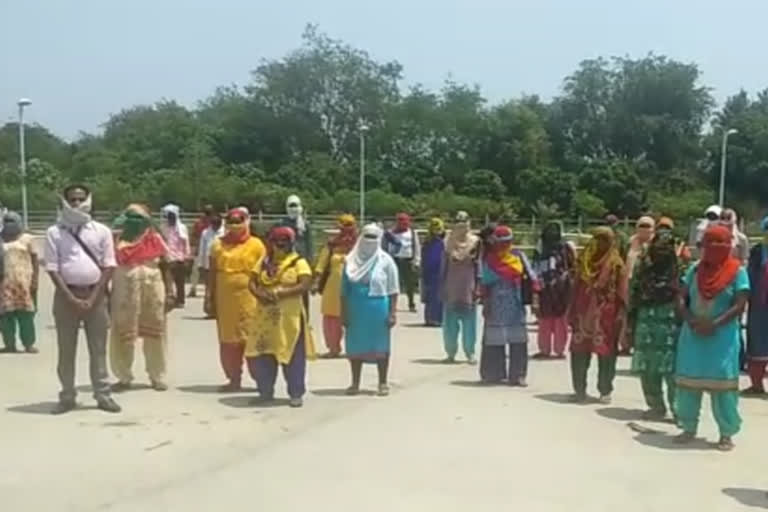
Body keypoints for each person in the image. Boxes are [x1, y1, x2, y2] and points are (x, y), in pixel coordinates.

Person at [44, 185, 121, 414]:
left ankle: (103, 395)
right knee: (66, 349)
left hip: (96, 295)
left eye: (80, 199)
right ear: (65, 202)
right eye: (72, 200)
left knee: (98, 349)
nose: (77, 204)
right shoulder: (54, 232)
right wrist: (70, 297)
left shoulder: (101, 231)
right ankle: (67, 396)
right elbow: (52, 268)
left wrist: (95, 295)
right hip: (65, 296)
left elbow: (109, 265)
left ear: (88, 201)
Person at [674, 225, 748, 451]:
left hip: (722, 338)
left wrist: (714, 324)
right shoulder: (695, 270)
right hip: (693, 335)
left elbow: (740, 304)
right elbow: (680, 297)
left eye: (719, 245)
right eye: (709, 245)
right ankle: (688, 427)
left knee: (723, 388)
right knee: (688, 385)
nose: (713, 250)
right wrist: (691, 320)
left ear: (728, 247)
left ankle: (726, 433)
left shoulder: (738, 271)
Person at [247, 227, 316, 407]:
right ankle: (265, 392)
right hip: (264, 319)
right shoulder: (264, 262)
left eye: (284, 241)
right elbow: (252, 282)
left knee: (292, 354)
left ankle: (295, 393)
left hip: (289, 319)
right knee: (263, 354)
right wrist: (259, 294)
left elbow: (305, 285)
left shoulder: (298, 262)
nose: (280, 245)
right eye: (276, 241)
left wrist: (282, 293)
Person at [109, 204, 175, 392]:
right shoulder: (116, 239)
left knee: (156, 330)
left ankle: (157, 375)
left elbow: (166, 264)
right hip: (124, 287)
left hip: (152, 286)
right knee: (122, 330)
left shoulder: (155, 238)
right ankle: (123, 376)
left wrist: (170, 292)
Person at [206, 209, 267, 392]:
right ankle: (234, 379)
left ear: (246, 221)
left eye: (239, 221)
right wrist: (209, 297)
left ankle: (261, 380)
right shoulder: (217, 245)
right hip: (225, 300)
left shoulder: (256, 245)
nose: (235, 225)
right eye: (231, 221)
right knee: (229, 341)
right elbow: (211, 273)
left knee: (251, 339)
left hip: (251, 298)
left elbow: (265, 271)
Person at [569, 227, 627, 404]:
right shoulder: (583, 260)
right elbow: (575, 286)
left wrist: (622, 314)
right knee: (579, 352)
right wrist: (571, 310)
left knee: (607, 353)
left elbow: (622, 290)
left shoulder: (616, 263)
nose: (600, 243)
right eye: (597, 239)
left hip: (606, 315)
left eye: (604, 240)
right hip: (582, 313)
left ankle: (605, 389)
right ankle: (579, 390)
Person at [341, 224, 399, 396]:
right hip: (356, 308)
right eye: (367, 236)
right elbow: (343, 292)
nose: (370, 241)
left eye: (374, 237)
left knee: (381, 346)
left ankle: (382, 383)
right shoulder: (349, 261)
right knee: (355, 346)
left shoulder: (386, 261)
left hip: (378, 309)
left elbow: (393, 290)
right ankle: (355, 383)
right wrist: (344, 313)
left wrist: (392, 313)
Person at [628, 230, 680, 420]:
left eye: (665, 248)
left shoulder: (679, 268)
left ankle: (678, 409)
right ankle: (656, 406)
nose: (661, 251)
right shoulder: (643, 266)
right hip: (646, 321)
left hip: (671, 324)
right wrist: (630, 321)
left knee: (671, 370)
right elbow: (634, 291)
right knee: (647, 369)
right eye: (658, 247)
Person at [478, 226, 533, 386]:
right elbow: (485, 283)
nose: (503, 245)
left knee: (518, 341)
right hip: (495, 304)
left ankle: (518, 375)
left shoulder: (518, 256)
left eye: (507, 242)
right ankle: (493, 373)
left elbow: (531, 276)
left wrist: (534, 297)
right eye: (500, 242)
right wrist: (485, 303)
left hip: (515, 304)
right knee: (494, 340)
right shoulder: (489, 259)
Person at [313, 214, 358, 357]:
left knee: (355, 318)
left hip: (354, 288)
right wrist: (315, 281)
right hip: (333, 288)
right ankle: (333, 348)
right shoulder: (332, 244)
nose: (346, 228)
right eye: (344, 224)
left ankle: (356, 349)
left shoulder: (360, 244)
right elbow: (321, 263)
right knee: (331, 319)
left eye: (349, 224)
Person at [532, 221, 575, 359]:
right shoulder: (540, 248)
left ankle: (559, 350)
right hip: (544, 286)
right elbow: (535, 266)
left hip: (561, 287)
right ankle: (544, 349)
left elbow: (572, 266)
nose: (552, 233)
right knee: (544, 318)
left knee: (560, 318)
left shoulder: (565, 247)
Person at [440, 211, 480, 363]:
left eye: (464, 221)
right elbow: (443, 266)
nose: (461, 225)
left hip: (469, 287)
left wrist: (478, 286)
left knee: (469, 323)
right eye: (458, 221)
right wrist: (442, 285)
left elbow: (479, 266)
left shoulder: (475, 242)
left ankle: (470, 352)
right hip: (451, 286)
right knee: (450, 323)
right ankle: (450, 353)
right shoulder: (447, 242)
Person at [0, 211, 39, 353]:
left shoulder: (27, 239)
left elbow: (35, 260)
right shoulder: (1, 239)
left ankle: (28, 344)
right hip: (4, 284)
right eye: (7, 221)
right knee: (5, 316)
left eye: (12, 220)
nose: (10, 224)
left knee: (26, 315)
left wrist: (35, 280)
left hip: (24, 284)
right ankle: (9, 345)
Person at [744, 216, 768, 395]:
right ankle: (757, 385)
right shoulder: (757, 251)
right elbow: (750, 275)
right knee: (757, 343)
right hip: (759, 304)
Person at [386, 213, 421, 312]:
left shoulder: (412, 233)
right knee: (393, 283)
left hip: (408, 260)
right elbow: (385, 246)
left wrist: (417, 260)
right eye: (400, 221)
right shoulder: (391, 233)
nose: (403, 223)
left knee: (409, 284)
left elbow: (416, 247)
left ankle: (411, 303)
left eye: (405, 221)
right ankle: (392, 305)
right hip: (394, 260)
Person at [160, 204, 191, 308]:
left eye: (171, 216)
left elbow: (185, 243)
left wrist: (187, 257)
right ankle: (169, 298)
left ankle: (180, 300)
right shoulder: (163, 227)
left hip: (180, 257)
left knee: (180, 280)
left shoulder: (182, 228)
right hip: (168, 257)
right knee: (167, 279)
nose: (169, 218)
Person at [196, 214, 224, 317]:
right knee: (209, 289)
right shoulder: (205, 233)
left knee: (220, 290)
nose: (216, 226)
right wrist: (200, 264)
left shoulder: (225, 232)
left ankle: (220, 310)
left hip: (221, 265)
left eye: (218, 224)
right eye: (214, 224)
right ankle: (210, 310)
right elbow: (202, 249)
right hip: (208, 265)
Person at [421, 218, 446, 327]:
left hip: (440, 272)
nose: (437, 232)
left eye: (439, 229)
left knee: (440, 296)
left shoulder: (443, 243)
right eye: (435, 229)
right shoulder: (427, 243)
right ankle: (430, 319)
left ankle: (439, 319)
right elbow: (424, 258)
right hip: (429, 272)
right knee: (430, 296)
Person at [188, 204, 216, 298]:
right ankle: (193, 288)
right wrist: (193, 248)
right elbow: (193, 235)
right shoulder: (199, 223)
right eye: (207, 212)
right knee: (195, 270)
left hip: (212, 249)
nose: (208, 214)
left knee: (211, 271)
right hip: (199, 249)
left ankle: (211, 289)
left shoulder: (214, 222)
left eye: (209, 212)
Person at [276, 195, 313, 261]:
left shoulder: (305, 224)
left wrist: (310, 259)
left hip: (302, 256)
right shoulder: (282, 223)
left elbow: (309, 243)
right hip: (286, 256)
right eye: (291, 206)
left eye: (295, 206)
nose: (293, 209)